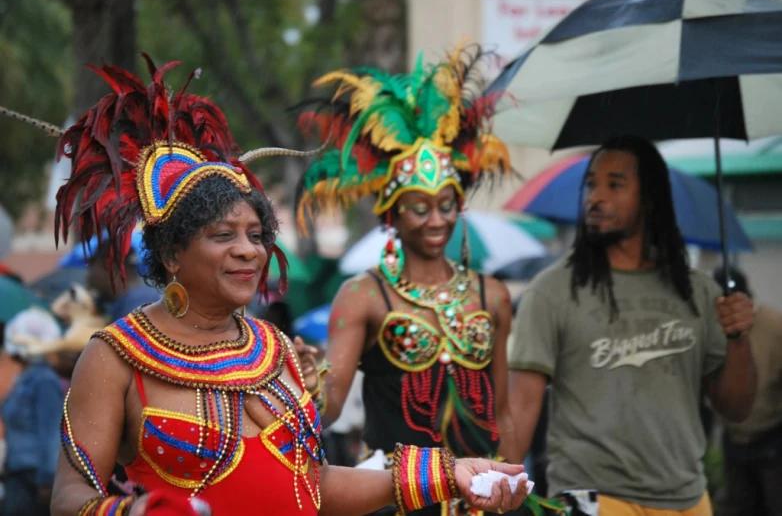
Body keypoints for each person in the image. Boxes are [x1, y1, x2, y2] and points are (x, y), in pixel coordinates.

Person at [3, 57, 528, 516]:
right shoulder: (115, 356)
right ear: (170, 254)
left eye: (257, 235)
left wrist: (446, 473)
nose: (248, 250)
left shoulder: (273, 349)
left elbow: (314, 487)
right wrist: (136, 512)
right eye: (222, 235)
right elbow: (70, 496)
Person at [295, 44, 555, 516]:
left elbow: (501, 413)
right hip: (398, 499)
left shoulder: (490, 294)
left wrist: (512, 485)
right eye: (419, 206)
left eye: (446, 204)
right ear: (392, 214)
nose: (436, 219)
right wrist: (313, 384)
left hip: (481, 499)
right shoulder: (362, 295)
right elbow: (330, 410)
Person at [506, 135, 757, 516]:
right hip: (591, 497)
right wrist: (488, 491)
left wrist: (738, 339)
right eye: (591, 184)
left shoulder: (700, 292)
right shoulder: (551, 292)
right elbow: (522, 406)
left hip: (688, 498)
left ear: (650, 198)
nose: (595, 197)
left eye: (614, 184)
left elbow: (736, 408)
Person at [711, 266, 782, 516]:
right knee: (740, 506)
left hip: (771, 438)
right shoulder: (714, 328)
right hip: (734, 440)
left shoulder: (773, 325)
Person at [1, 308, 65, 516]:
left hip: (34, 479)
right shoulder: (26, 379)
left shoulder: (43, 381)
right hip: (18, 476)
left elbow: (50, 432)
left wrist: (47, 481)